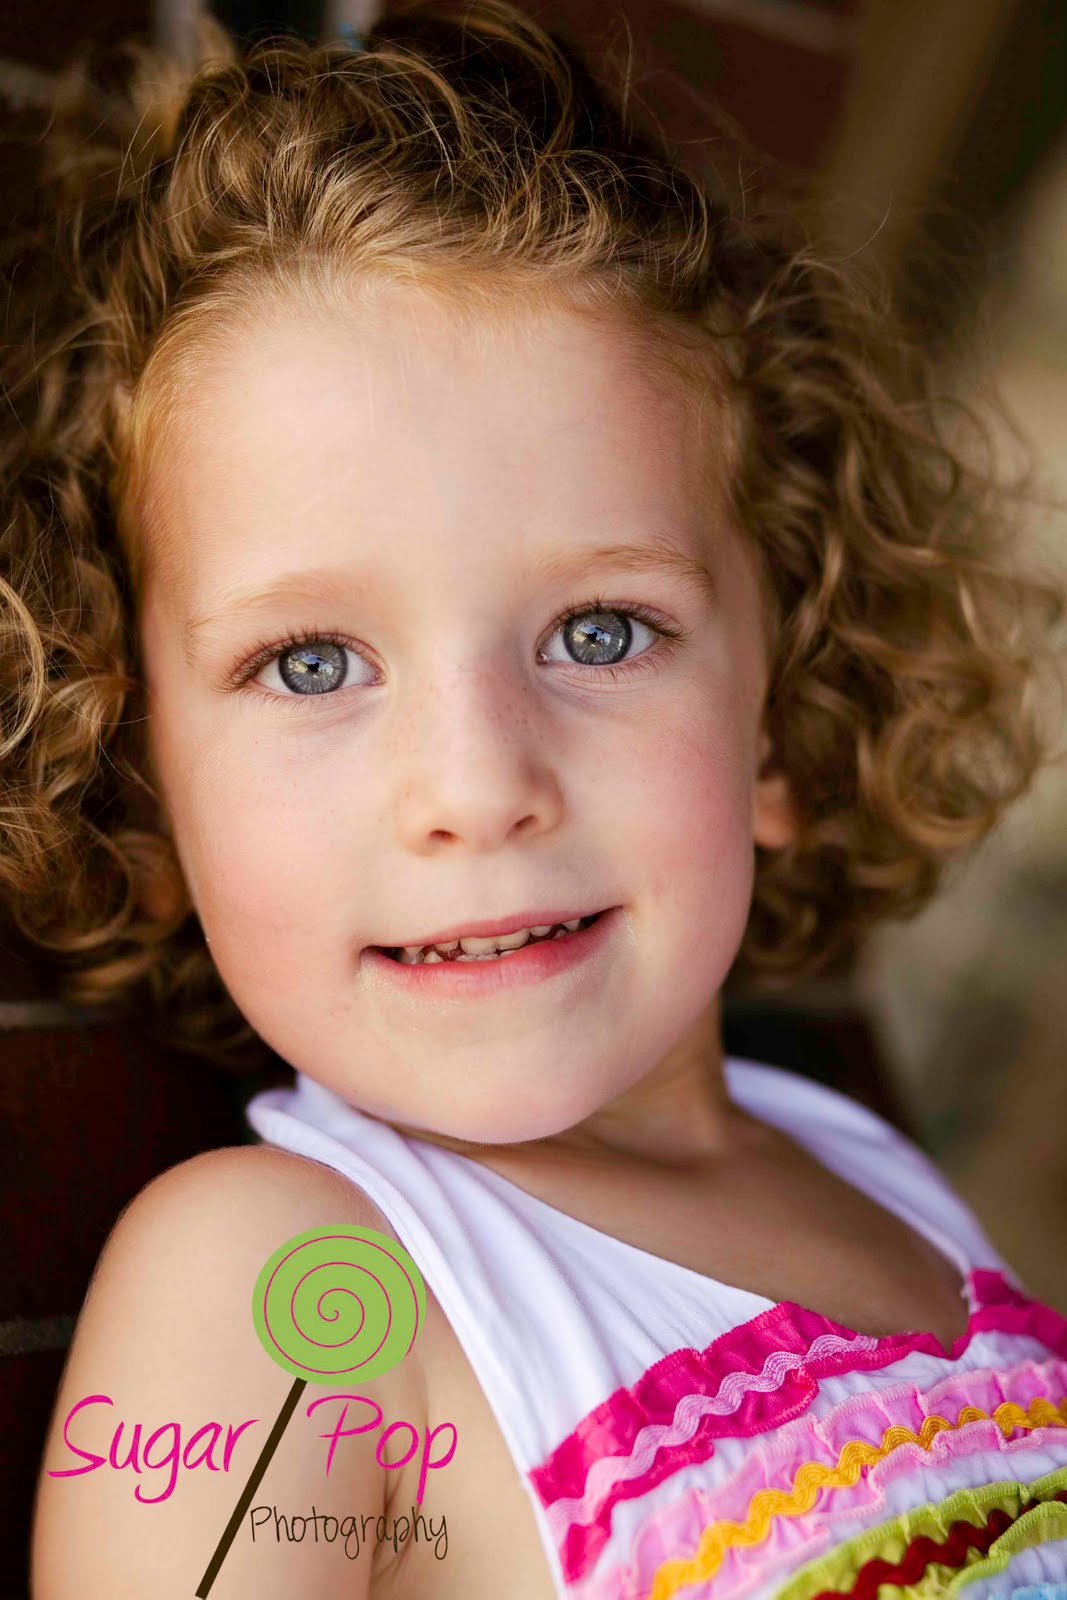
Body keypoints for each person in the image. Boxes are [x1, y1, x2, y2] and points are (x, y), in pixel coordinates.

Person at [15, 2, 1067, 1595]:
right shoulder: (293, 1287)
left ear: (778, 722)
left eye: (601, 634)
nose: (478, 787)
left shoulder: (872, 1174)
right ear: (142, 789)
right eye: (311, 663)